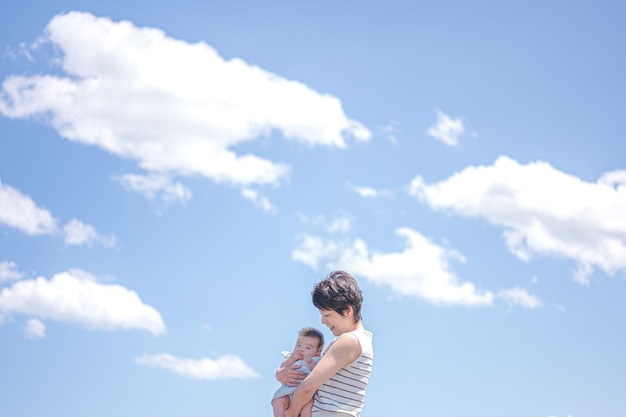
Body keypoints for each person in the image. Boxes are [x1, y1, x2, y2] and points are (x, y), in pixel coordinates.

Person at [277, 270, 374, 417]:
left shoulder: (349, 341)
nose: (323, 321)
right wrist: (280, 374)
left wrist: (290, 414)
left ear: (347, 311)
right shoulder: (362, 341)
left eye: (327, 315)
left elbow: (308, 387)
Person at [271, 327, 325, 417]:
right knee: (277, 401)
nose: (301, 349)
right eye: (299, 345)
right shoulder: (292, 358)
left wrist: (310, 362)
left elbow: (319, 372)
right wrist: (291, 359)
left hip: (306, 395)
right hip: (287, 391)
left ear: (317, 354)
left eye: (307, 348)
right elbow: (282, 368)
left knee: (307, 409)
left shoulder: (316, 360)